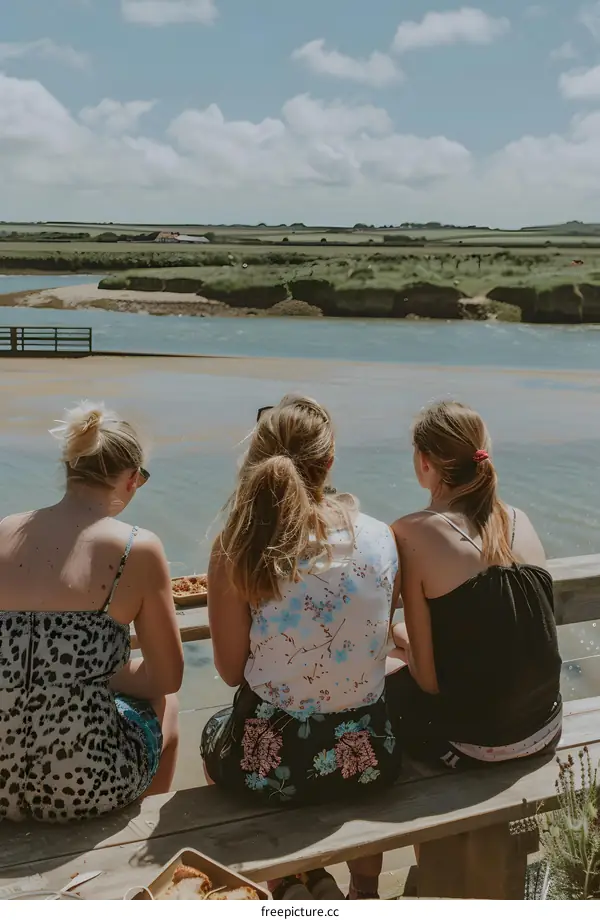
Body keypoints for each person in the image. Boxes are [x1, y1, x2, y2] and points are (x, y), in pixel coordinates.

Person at [201, 395, 402, 899]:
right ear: (329, 462)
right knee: (354, 704)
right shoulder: (382, 536)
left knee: (214, 733)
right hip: (370, 757)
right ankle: (365, 888)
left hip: (271, 762)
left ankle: (291, 879)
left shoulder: (238, 545)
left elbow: (229, 672)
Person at [0, 402, 183, 822]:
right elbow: (167, 676)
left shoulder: (6, 529)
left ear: (69, 469)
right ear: (132, 479)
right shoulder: (137, 546)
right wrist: (108, 672)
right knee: (167, 704)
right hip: (85, 787)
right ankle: (138, 839)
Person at [389, 400, 562, 770]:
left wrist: (400, 638)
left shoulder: (410, 532)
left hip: (473, 746)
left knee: (386, 666)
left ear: (424, 461)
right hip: (546, 728)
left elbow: (429, 682)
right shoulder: (520, 518)